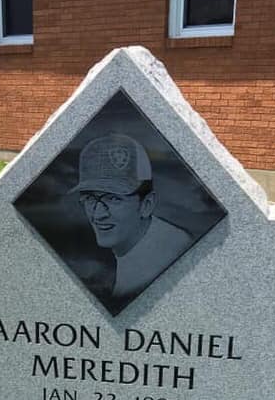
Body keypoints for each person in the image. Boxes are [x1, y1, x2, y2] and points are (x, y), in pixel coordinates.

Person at [70, 133, 191, 312]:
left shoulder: (166, 258)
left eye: (113, 198)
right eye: (90, 198)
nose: (98, 214)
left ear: (147, 204)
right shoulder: (137, 248)